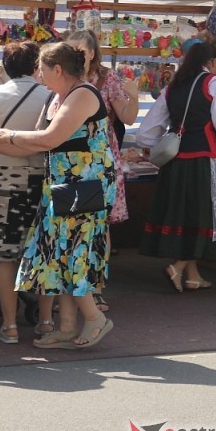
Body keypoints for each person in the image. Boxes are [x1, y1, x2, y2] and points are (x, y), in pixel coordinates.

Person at [0, 42, 115, 349]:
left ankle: (95, 318)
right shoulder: (57, 98)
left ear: (57, 69)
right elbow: (38, 144)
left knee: (73, 251)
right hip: (63, 182)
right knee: (60, 252)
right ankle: (68, 327)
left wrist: (8, 135)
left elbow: (49, 138)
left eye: (42, 69)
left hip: (84, 183)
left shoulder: (83, 94)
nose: (39, 75)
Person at [134, 41, 216, 292]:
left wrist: (153, 146)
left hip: (175, 163)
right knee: (202, 217)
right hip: (204, 161)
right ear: (212, 62)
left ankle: (193, 276)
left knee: (186, 218)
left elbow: (146, 131)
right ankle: (179, 267)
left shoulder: (173, 88)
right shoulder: (214, 83)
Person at [0, 41, 51, 344]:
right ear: (37, 66)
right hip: (43, 180)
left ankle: (9, 326)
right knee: (44, 253)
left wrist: (4, 143)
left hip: (5, 178)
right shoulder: (52, 96)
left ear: (5, 68)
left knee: (5, 258)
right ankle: (46, 322)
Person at [63, 28, 140, 312]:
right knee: (70, 225)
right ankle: (69, 292)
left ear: (93, 52)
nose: (76, 55)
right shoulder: (62, 77)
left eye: (80, 50)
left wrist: (134, 96)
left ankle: (94, 288)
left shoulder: (107, 78)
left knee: (98, 226)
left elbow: (128, 118)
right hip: (68, 158)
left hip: (99, 159)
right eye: (70, 50)